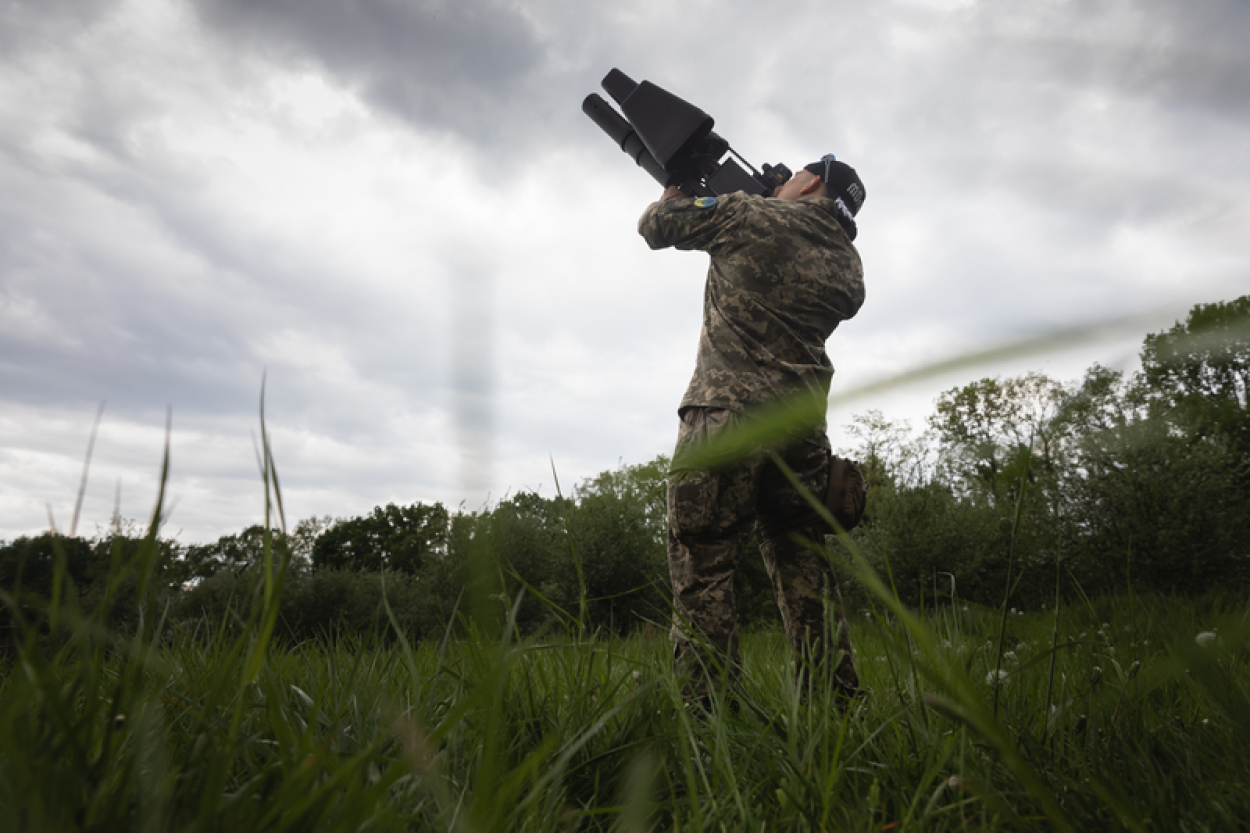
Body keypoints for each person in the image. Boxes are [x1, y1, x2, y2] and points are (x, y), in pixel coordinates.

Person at [636, 155, 867, 706]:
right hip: (801, 435)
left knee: (705, 563)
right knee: (805, 569)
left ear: (810, 181)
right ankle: (836, 709)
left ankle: (708, 717)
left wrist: (673, 194)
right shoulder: (850, 270)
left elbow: (655, 227)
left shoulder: (748, 217)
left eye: (790, 179)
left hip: (726, 419)